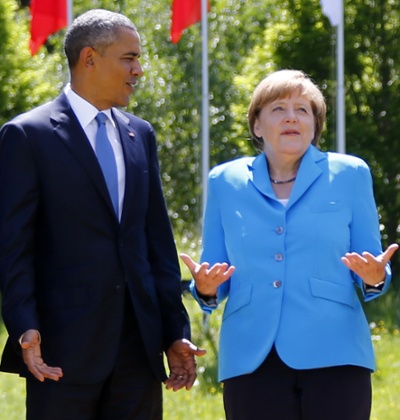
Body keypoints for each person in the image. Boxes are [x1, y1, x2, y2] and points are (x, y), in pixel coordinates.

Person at [0, 8, 205, 420]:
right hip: (62, 352)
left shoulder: (140, 134)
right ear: (89, 58)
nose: (140, 70)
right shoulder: (27, 135)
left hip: (139, 352)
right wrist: (24, 325)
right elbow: (13, 247)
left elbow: (157, 245)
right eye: (129, 58)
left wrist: (175, 333)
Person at [181, 69, 398, 420]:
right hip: (250, 355)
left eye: (303, 109)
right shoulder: (224, 181)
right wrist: (205, 289)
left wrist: (374, 275)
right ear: (257, 125)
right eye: (278, 108)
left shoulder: (350, 174)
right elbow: (213, 273)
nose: (291, 117)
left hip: (335, 350)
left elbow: (371, 266)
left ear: (315, 123)